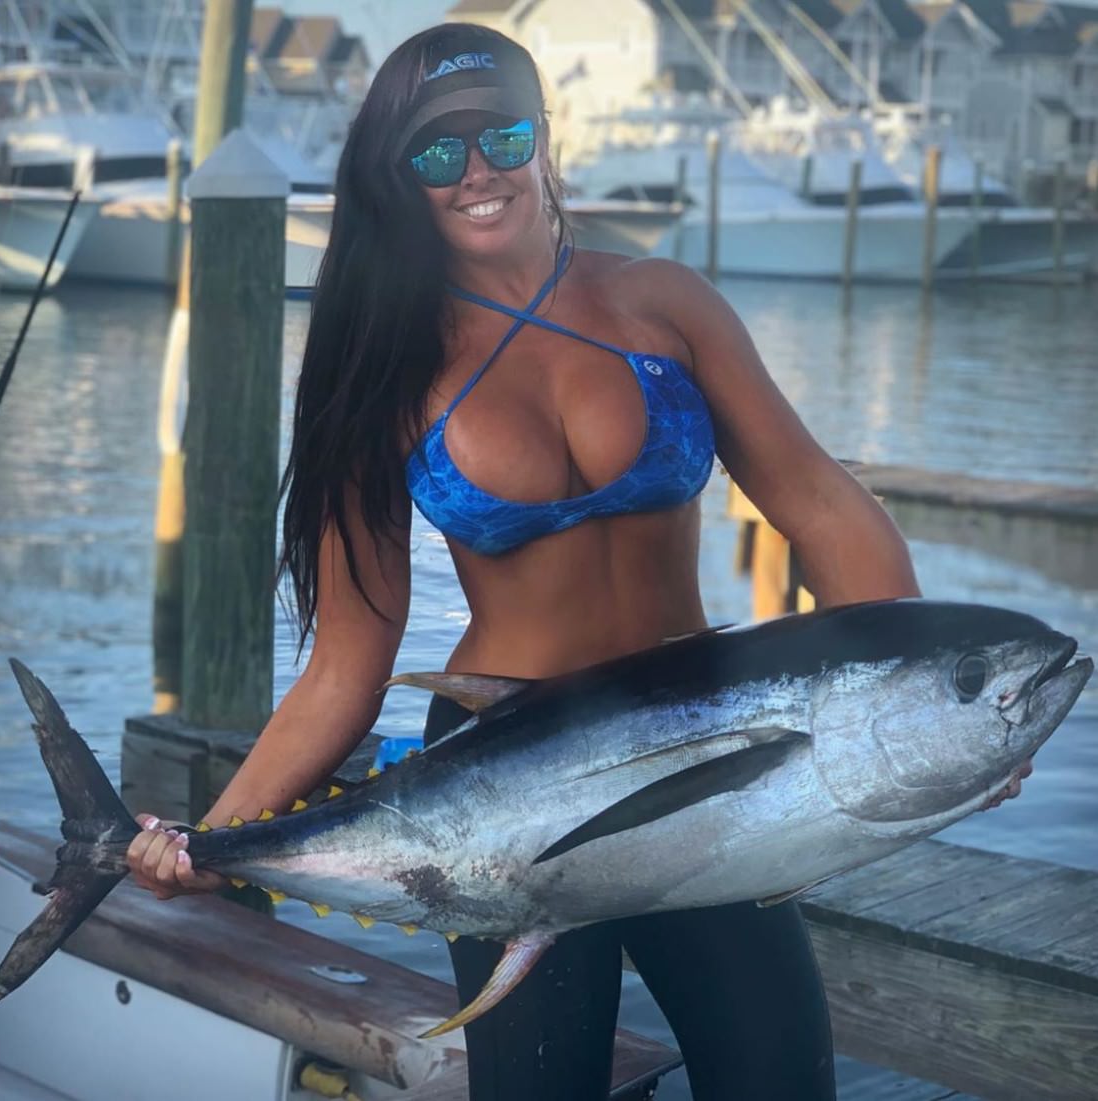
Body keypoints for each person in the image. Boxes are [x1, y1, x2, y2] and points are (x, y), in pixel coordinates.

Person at [126, 22, 1029, 1101]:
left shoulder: (664, 303)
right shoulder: (383, 365)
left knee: (780, 1079)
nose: (477, 172)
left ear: (544, 137)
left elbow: (822, 506)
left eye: (502, 136)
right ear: (400, 178)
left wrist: (932, 718)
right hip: (496, 781)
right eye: (437, 152)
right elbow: (346, 665)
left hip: (704, 745)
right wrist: (207, 840)